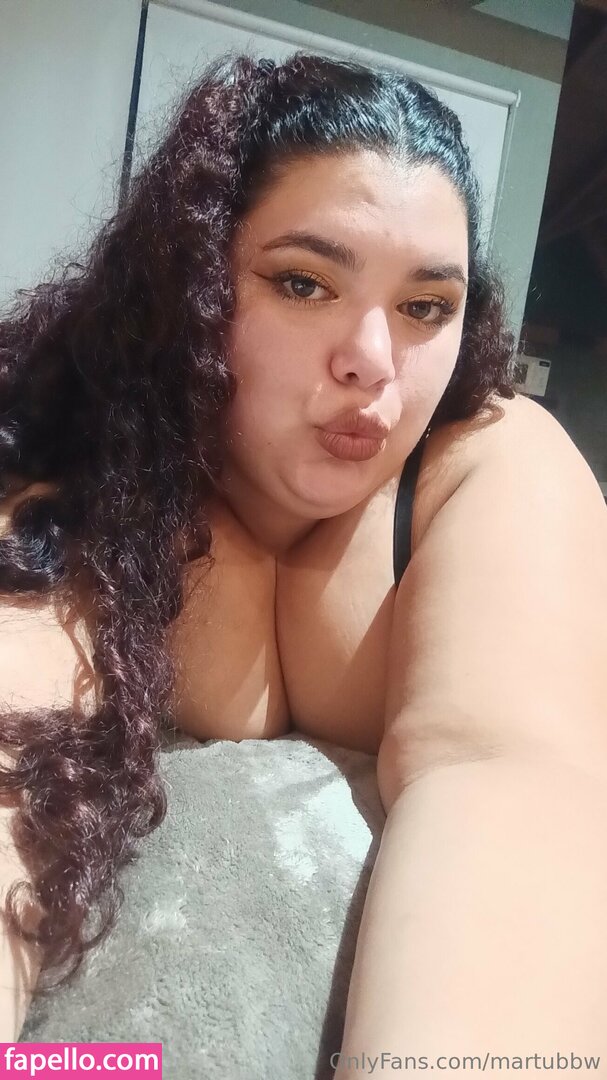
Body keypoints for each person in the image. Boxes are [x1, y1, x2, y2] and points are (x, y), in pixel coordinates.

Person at [1, 52, 606, 1063]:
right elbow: (15, 756)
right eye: (302, 283)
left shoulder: (488, 465)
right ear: (193, 286)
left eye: (425, 306)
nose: (372, 359)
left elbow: (513, 784)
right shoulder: (93, 476)